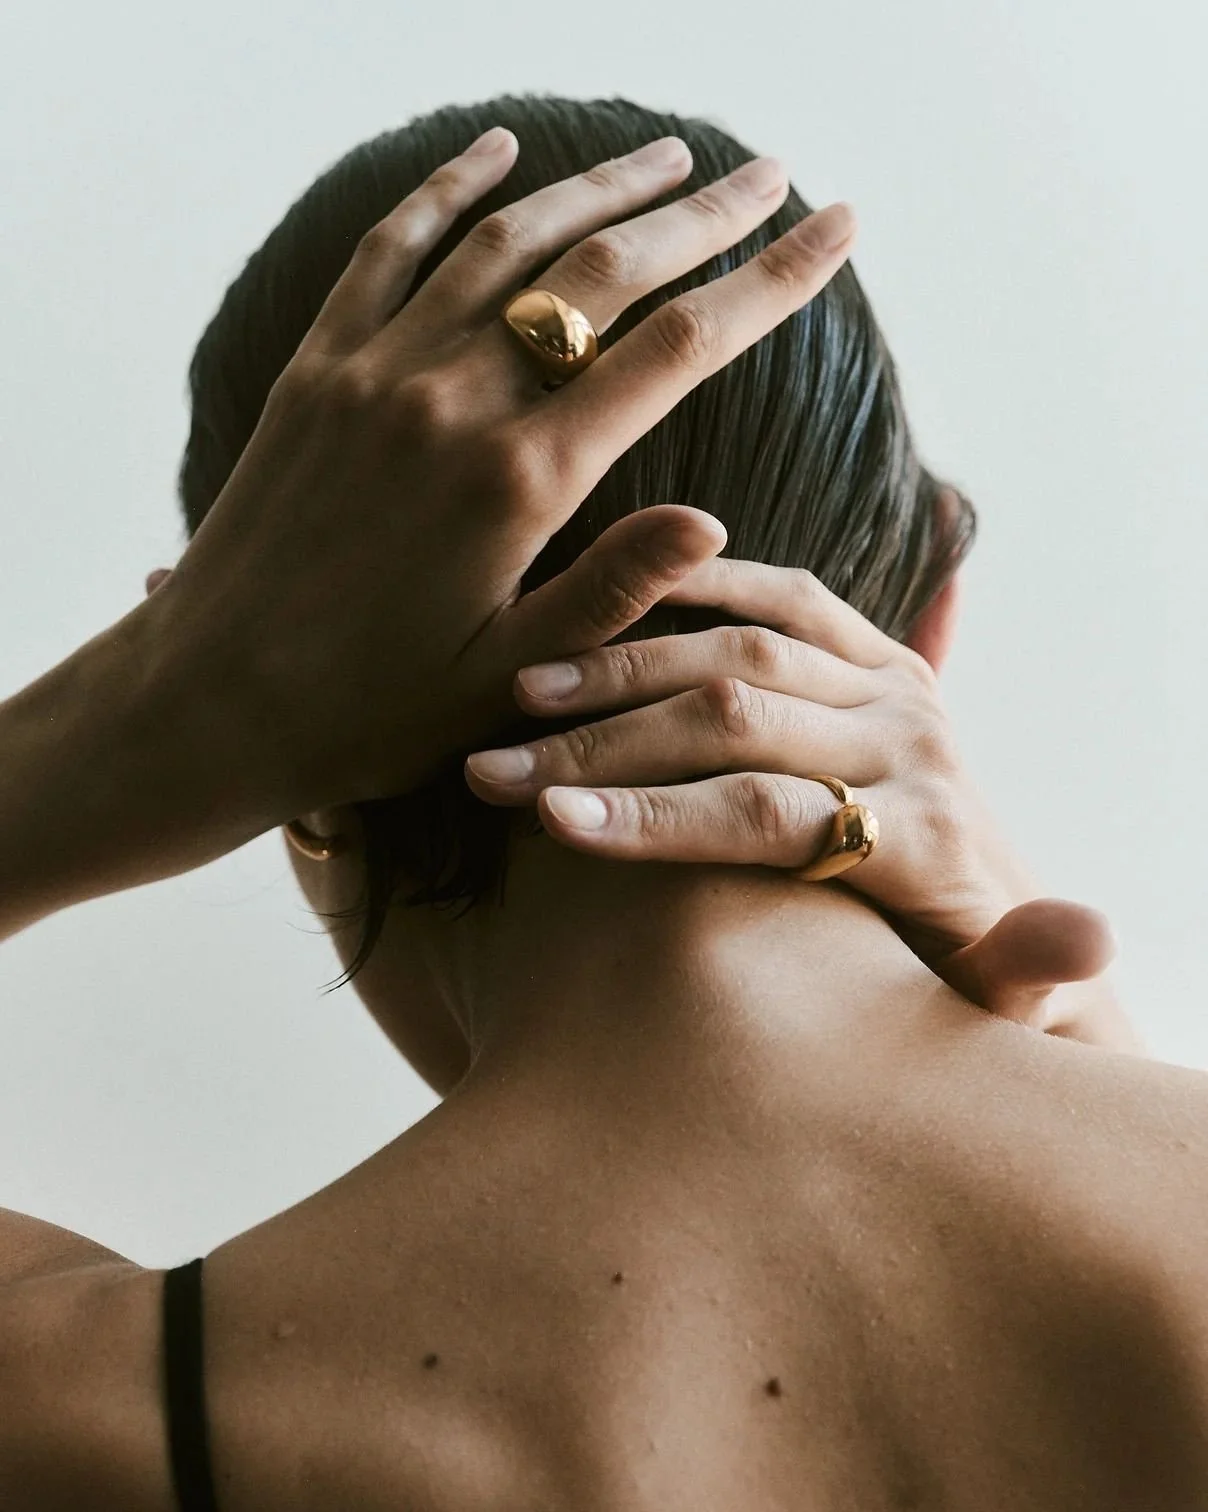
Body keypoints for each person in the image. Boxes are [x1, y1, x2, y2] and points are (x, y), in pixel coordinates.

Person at [0, 92, 1200, 1512]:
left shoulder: (94, 1406)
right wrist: (1085, 1049)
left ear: (263, 744)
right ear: (929, 624)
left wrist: (132, 733)